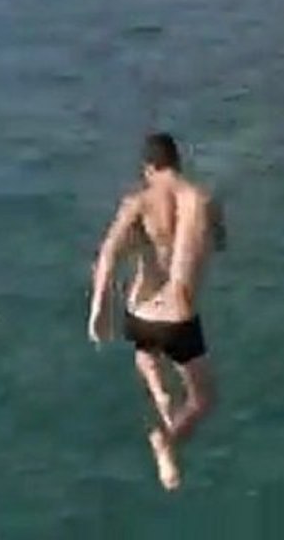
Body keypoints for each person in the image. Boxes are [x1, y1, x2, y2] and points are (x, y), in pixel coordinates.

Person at [88, 132, 226, 491]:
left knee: (145, 346)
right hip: (177, 320)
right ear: (178, 163)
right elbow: (220, 242)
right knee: (204, 399)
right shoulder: (204, 199)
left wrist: (99, 310)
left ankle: (159, 391)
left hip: (140, 316)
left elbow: (107, 254)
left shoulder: (137, 201)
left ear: (148, 168)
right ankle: (168, 442)